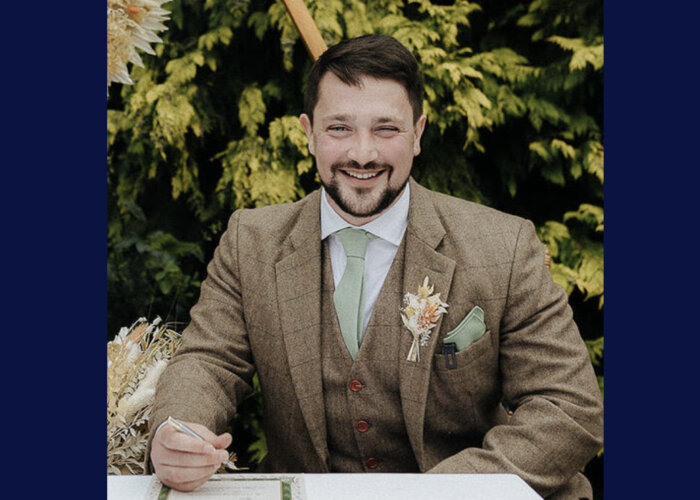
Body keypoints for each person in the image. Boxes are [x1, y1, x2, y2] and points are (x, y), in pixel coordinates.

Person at [147, 34, 603, 499]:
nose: (362, 153)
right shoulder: (251, 241)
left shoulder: (504, 247)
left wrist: (435, 493)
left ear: (418, 133)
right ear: (308, 132)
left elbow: (567, 407)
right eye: (339, 128)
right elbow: (209, 361)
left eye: (386, 129)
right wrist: (176, 429)